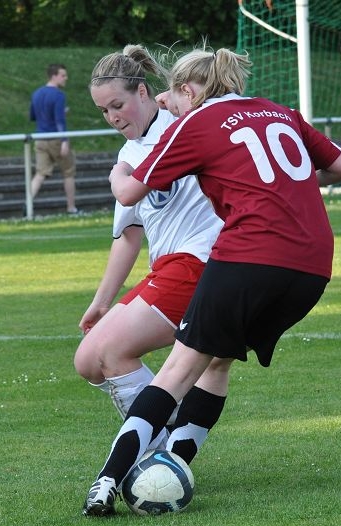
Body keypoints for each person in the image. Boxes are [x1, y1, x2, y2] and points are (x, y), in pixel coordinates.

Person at [82, 46, 341, 517]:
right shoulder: (279, 111)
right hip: (312, 269)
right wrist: (286, 187)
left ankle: (107, 481)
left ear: (189, 92)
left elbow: (128, 192)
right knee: (215, 363)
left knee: (177, 371)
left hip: (247, 257)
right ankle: (173, 462)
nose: (170, 104)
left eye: (174, 96)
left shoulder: (197, 123)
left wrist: (118, 172)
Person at [76, 44, 229, 496]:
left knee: (114, 352)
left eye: (117, 105)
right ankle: (164, 443)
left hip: (200, 262)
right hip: (167, 267)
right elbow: (128, 234)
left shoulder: (183, 124)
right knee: (88, 360)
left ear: (143, 92)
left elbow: (211, 98)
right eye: (103, 111)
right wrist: (101, 302)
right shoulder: (131, 153)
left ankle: (154, 451)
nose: (112, 117)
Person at [29, 63, 79, 214]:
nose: (66, 78)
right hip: (56, 139)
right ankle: (71, 208)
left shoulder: (36, 93)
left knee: (40, 173)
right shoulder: (58, 95)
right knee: (68, 172)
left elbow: (32, 116)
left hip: (39, 138)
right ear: (54, 76)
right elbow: (59, 121)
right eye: (63, 75)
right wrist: (64, 141)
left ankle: (28, 206)